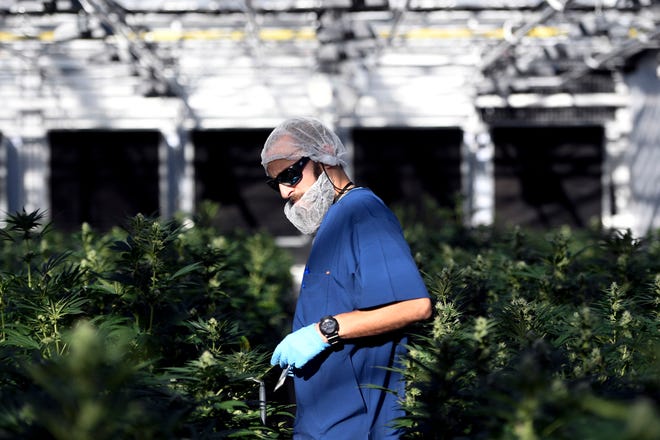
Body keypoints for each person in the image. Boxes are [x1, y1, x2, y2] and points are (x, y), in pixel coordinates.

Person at [261, 116, 432, 439]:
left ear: (325, 154)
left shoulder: (363, 212)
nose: (285, 191)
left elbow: (415, 305)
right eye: (276, 183)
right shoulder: (334, 222)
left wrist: (322, 331)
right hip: (324, 421)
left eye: (290, 175)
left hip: (358, 424)